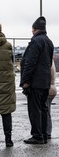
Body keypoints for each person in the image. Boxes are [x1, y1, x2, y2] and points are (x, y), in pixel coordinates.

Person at [20, 16, 54, 144]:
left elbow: (30, 63)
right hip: (45, 81)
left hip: (35, 82)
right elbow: (49, 62)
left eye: (32, 29)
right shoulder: (49, 42)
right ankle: (44, 134)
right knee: (43, 108)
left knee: (34, 110)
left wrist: (25, 80)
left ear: (35, 29)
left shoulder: (35, 42)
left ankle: (37, 135)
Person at [46, 60, 57, 140]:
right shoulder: (51, 61)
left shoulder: (48, 60)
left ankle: (47, 132)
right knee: (47, 112)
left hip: (48, 89)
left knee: (46, 113)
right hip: (52, 88)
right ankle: (48, 132)